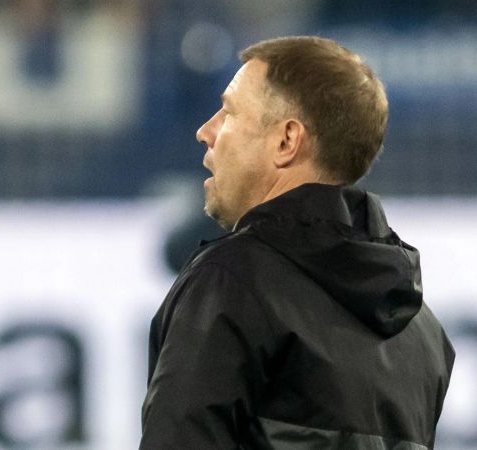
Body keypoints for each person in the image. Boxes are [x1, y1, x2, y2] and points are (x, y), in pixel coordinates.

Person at [141, 36, 454, 449]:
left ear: (287, 141)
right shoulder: (422, 331)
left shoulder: (233, 282)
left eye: (229, 112)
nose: (206, 131)